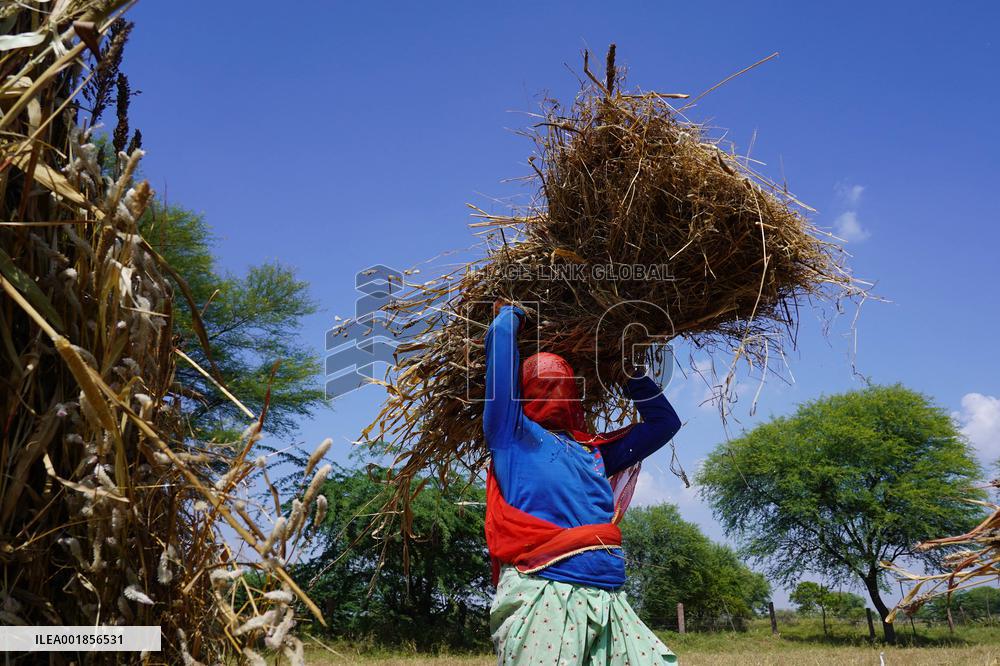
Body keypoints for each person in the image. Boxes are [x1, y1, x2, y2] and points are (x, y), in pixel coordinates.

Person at [484, 302, 682, 665]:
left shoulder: (594, 452)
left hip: (609, 600)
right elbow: (499, 344)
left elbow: (665, 423)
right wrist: (512, 314)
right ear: (523, 390)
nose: (554, 388)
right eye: (543, 380)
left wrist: (627, 373)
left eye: (563, 382)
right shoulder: (510, 436)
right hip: (544, 595)